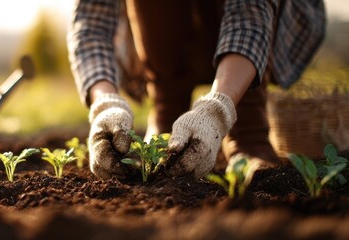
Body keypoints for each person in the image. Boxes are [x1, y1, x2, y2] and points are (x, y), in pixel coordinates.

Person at [67, 0, 326, 179]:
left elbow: (250, 15)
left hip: (262, 22)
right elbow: (91, 25)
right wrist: (106, 104)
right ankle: (167, 105)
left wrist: (217, 109)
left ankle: (249, 127)